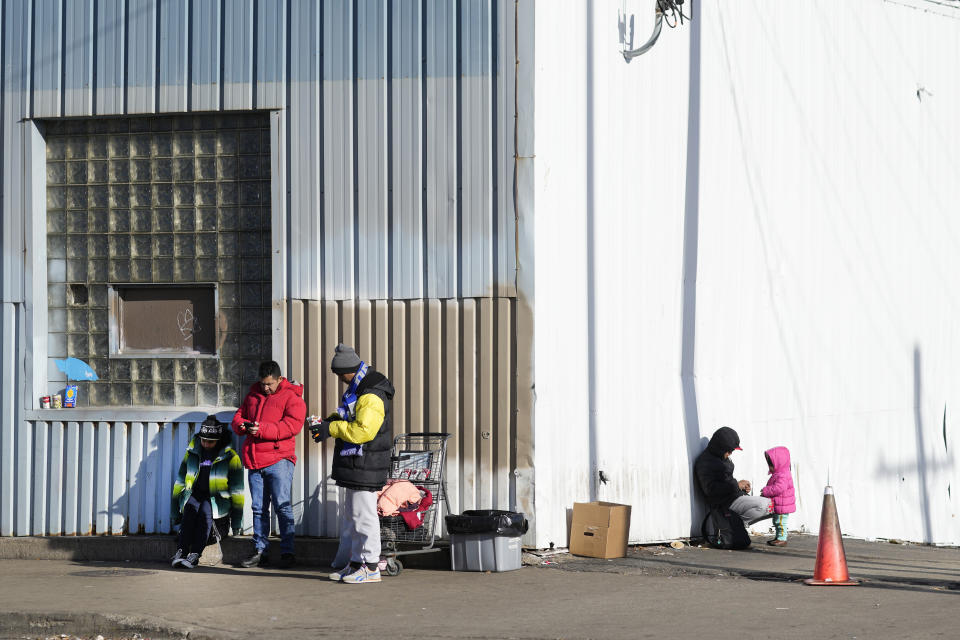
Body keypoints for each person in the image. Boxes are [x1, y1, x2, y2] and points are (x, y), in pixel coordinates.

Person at [308, 343, 395, 584]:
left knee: (364, 516)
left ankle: (370, 566)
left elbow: (363, 431)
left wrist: (331, 428)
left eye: (339, 375)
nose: (340, 380)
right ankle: (357, 564)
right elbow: (350, 416)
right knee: (354, 516)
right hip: (358, 463)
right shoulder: (361, 388)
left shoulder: (371, 394)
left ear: (346, 371)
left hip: (366, 462)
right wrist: (327, 423)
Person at [231, 360, 306, 568]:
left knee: (282, 506)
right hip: (255, 461)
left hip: (279, 460)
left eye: (270, 384)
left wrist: (261, 429)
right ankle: (259, 551)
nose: (266, 388)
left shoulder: (292, 397)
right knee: (258, 508)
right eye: (263, 384)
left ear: (280, 379)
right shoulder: (253, 395)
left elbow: (292, 425)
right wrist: (243, 426)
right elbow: (238, 417)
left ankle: (287, 553)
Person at [171, 415, 244, 569]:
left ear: (218, 440)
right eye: (203, 440)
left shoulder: (230, 457)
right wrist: (174, 513)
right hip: (195, 493)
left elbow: (238, 492)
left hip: (215, 499)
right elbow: (180, 481)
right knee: (190, 508)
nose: (206, 444)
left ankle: (195, 554)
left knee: (205, 513)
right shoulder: (192, 452)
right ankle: (182, 551)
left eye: (210, 441)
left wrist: (237, 522)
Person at [693, 426, 773, 525]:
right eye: (729, 450)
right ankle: (732, 528)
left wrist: (741, 489)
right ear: (720, 447)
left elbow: (727, 481)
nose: (731, 453)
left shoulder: (720, 456)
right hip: (723, 504)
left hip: (733, 498)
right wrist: (737, 485)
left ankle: (735, 529)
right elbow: (710, 490)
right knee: (767, 505)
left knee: (776, 506)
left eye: (732, 450)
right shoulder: (705, 462)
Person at [760, 446, 796, 546]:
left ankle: (782, 539)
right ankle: (778, 537)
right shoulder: (780, 473)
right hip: (780, 504)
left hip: (782, 504)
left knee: (780, 522)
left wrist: (766, 491)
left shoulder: (782, 475)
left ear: (778, 463)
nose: (769, 467)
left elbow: (779, 488)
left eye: (771, 464)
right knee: (777, 522)